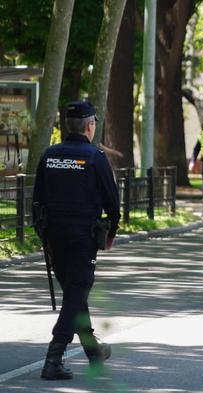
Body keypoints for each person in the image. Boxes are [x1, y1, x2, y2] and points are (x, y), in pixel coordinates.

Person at [32, 101, 121, 380]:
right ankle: (53, 358)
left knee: (74, 294)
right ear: (90, 126)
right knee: (76, 293)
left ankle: (93, 351)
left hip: (55, 236)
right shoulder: (94, 157)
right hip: (83, 236)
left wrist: (43, 235)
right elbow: (113, 201)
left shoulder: (49, 155)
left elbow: (36, 201)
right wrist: (111, 233)